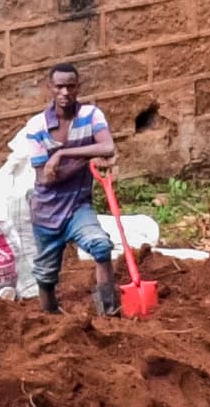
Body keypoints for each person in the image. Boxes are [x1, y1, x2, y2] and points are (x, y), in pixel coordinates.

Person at [12, 64, 127, 320]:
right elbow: (46, 178)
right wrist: (87, 159)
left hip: (78, 207)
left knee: (101, 247)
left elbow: (107, 146)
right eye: (59, 87)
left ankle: (110, 316)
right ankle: (51, 319)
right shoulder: (37, 127)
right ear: (50, 88)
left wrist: (62, 154)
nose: (65, 92)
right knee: (45, 275)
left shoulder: (91, 115)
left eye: (70, 86)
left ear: (78, 87)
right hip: (46, 212)